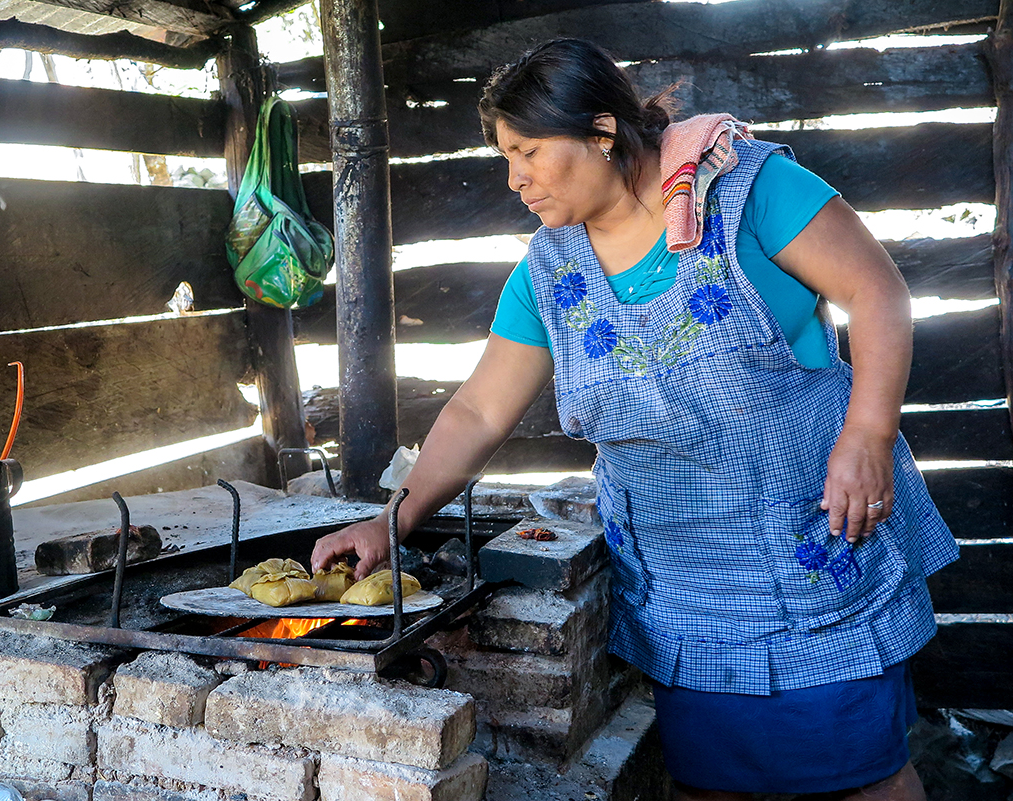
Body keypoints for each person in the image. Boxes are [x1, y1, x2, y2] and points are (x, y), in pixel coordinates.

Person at [311, 38, 958, 800]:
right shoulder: (550, 271)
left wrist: (868, 435)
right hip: (688, 592)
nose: (514, 179)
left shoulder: (749, 191)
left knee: (863, 778)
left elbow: (881, 293)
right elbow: (480, 408)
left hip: (814, 553)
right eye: (504, 157)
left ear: (603, 133)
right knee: (711, 784)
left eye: (527, 152)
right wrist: (393, 520)